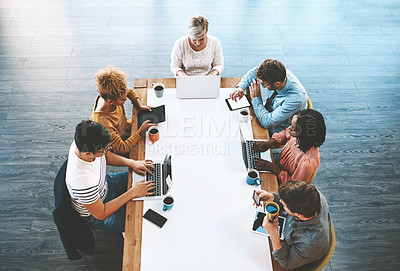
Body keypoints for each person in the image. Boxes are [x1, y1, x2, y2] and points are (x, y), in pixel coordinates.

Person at [65, 120, 155, 232]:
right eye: (103, 150)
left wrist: (132, 163)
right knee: (143, 224)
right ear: (88, 153)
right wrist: (133, 192)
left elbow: (105, 155)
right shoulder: (82, 182)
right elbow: (101, 213)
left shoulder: (82, 142)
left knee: (150, 179)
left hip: (105, 184)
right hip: (98, 210)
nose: (106, 151)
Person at [256, 180, 332, 270]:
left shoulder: (311, 243)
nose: (280, 201)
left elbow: (287, 263)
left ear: (298, 214)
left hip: (294, 260)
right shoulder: (313, 195)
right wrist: (272, 197)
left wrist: (274, 235)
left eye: (283, 204)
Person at [230, 59, 307, 135]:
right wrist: (240, 87)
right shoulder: (278, 72)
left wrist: (255, 98)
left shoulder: (295, 100)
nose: (262, 86)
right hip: (266, 112)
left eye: (264, 85)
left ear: (277, 84)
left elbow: (267, 122)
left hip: (276, 129)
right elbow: (254, 72)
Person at [90, 66, 155, 155]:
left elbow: (129, 91)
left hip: (128, 129)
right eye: (123, 99)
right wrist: (140, 132)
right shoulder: (103, 122)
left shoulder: (110, 95)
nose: (125, 100)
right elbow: (122, 148)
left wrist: (139, 105)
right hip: (121, 145)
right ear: (111, 101)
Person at [253, 109, 326, 184]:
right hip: (279, 162)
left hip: (283, 181)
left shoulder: (307, 163)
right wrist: (271, 142)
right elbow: (285, 133)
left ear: (304, 136)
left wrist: (274, 169)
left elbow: (293, 186)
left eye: (293, 129)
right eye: (291, 125)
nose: (289, 129)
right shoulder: (298, 136)